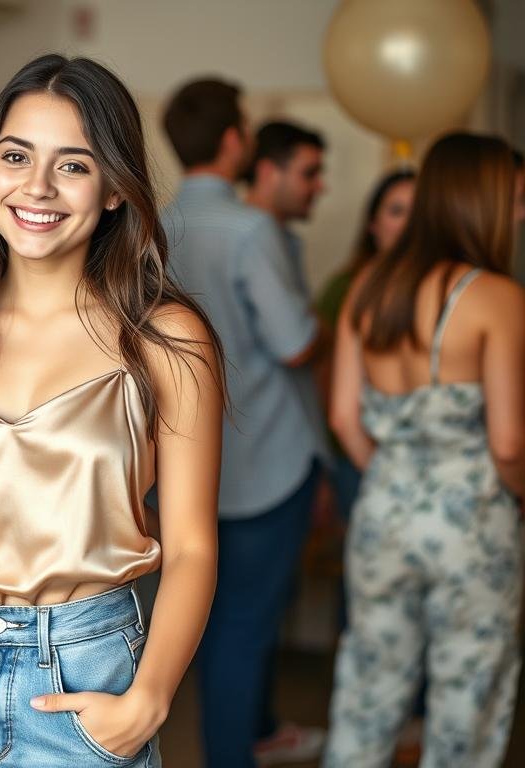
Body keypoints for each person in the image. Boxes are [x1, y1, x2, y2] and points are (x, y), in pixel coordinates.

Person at [0, 54, 224, 768]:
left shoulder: (165, 340)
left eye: (73, 165)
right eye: (16, 156)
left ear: (115, 190)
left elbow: (190, 546)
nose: (36, 186)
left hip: (83, 676)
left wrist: (150, 696)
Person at [324, 132, 525, 768]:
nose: (521, 213)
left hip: (384, 509)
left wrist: (392, 476)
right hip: (474, 520)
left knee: (368, 685)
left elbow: (342, 416)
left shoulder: (369, 288)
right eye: (517, 198)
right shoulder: (498, 297)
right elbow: (509, 442)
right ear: (484, 201)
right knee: (467, 691)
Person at [161, 82, 327, 768]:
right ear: (233, 140)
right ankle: (234, 754)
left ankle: (254, 732)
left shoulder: (152, 226)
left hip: (184, 459)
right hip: (266, 456)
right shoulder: (251, 229)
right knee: (245, 627)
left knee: (216, 620)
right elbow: (294, 344)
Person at [317, 169, 416, 520]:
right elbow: (326, 383)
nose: (408, 223)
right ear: (373, 224)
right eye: (396, 210)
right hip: (357, 455)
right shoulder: (346, 289)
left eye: (418, 212)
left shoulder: (447, 292)